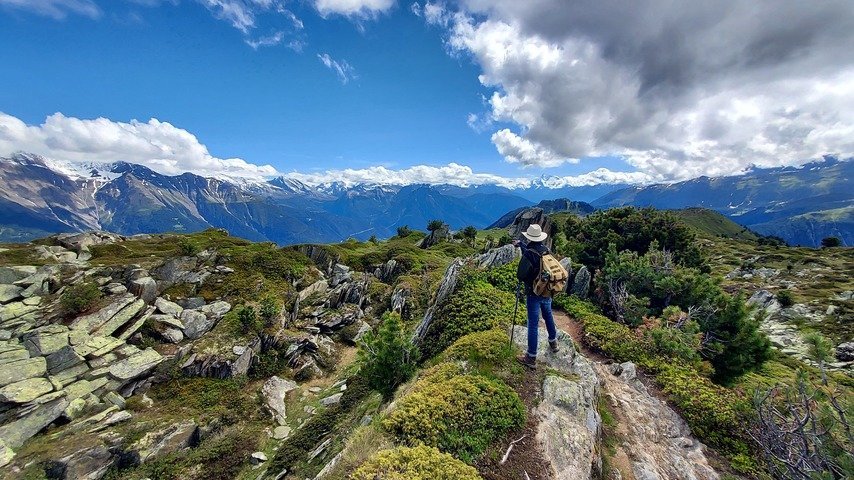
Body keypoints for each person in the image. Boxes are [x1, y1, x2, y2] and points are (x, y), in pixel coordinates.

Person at [513, 224, 559, 369]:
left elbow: (520, 274)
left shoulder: (529, 254)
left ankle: (531, 357)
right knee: (548, 315)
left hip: (534, 292)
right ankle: (553, 342)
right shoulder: (546, 250)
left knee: (533, 323)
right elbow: (535, 255)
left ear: (529, 237)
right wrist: (521, 245)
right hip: (546, 290)